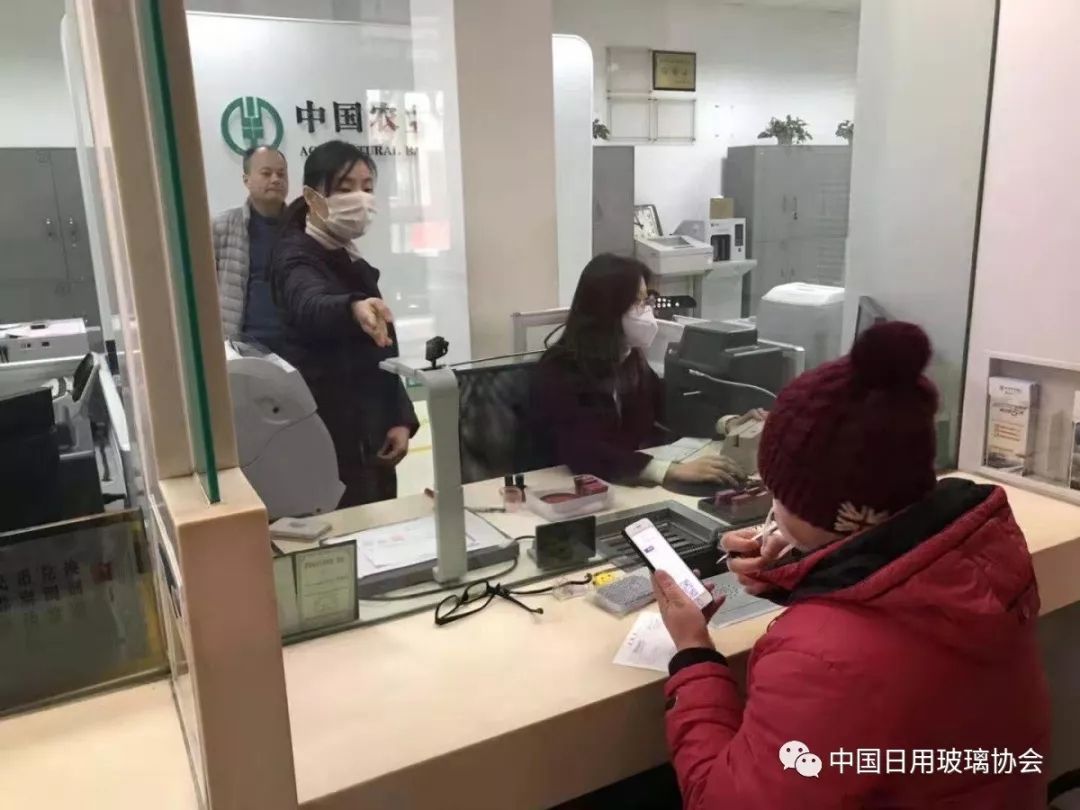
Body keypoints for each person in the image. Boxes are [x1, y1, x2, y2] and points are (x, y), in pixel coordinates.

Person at [652, 321, 1051, 809]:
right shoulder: (981, 560)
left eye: (778, 493)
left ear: (825, 512)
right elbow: (885, 590)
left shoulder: (823, 660)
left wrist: (693, 652)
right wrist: (801, 567)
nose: (772, 508)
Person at [269, 140, 417, 508]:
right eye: (346, 188)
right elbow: (309, 302)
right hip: (331, 439)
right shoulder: (295, 254)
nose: (360, 199)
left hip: (372, 432)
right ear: (312, 196)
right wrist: (351, 307)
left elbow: (378, 349)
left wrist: (399, 417)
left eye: (367, 188)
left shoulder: (344, 251)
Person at [535, 254, 745, 488]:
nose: (647, 311)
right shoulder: (559, 369)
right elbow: (584, 450)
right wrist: (667, 470)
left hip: (619, 484)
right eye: (638, 302)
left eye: (647, 300)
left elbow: (667, 406)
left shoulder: (629, 359)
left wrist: (725, 423)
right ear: (607, 309)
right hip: (565, 489)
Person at [212, 145, 289, 350]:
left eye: (281, 174)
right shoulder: (222, 227)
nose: (276, 179)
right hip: (242, 346)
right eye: (266, 173)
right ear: (246, 180)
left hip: (297, 347)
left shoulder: (302, 227)